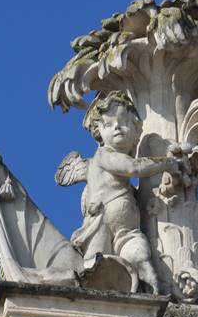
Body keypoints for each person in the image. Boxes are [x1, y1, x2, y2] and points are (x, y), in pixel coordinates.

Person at [55, 91, 180, 293]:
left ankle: (155, 297)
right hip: (101, 226)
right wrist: (167, 163)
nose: (117, 127)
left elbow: (127, 187)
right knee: (95, 272)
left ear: (136, 131)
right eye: (109, 124)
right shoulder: (105, 155)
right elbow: (134, 168)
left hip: (128, 231)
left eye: (124, 122)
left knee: (142, 260)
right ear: (100, 133)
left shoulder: (117, 169)